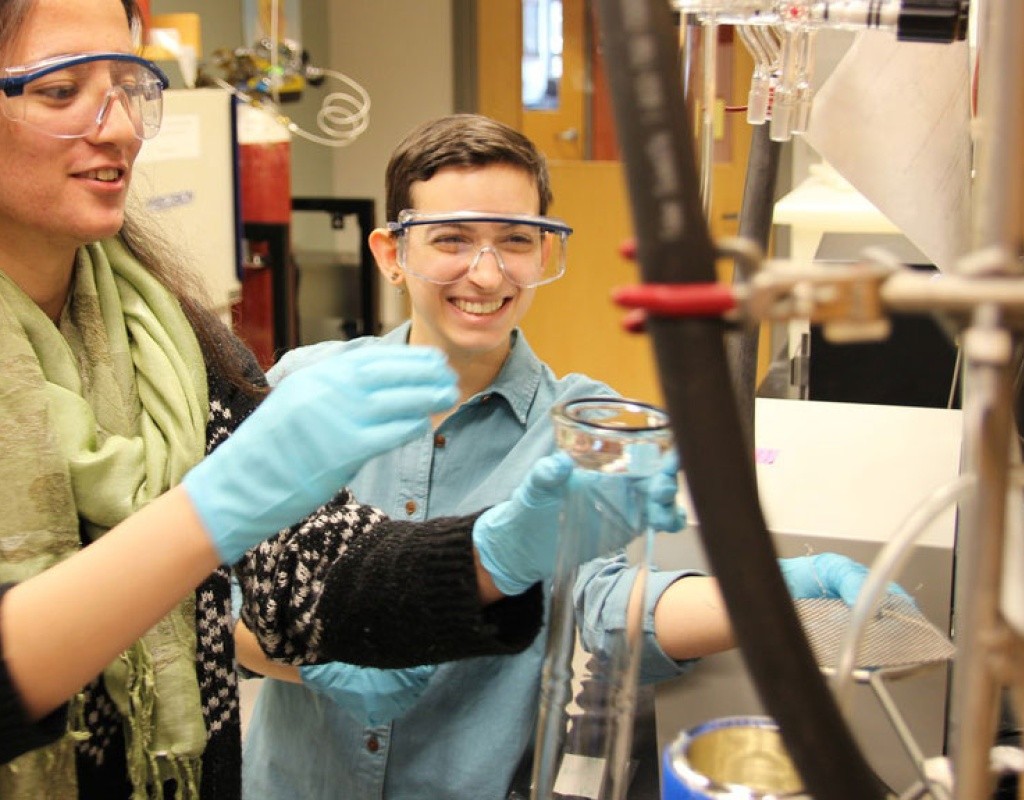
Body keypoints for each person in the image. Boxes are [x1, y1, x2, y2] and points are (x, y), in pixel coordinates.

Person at [0, 6, 647, 797]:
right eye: (63, 90)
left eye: (132, 86)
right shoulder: (306, 374)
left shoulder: (177, 345)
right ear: (394, 253)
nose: (124, 128)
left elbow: (303, 573)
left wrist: (494, 553)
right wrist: (203, 517)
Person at [236, 113, 900, 800]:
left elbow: (606, 604)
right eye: (452, 240)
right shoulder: (302, 389)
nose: (487, 273)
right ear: (390, 252)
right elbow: (217, 595)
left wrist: (773, 597)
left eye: (516, 241)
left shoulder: (585, 426)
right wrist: (311, 662)